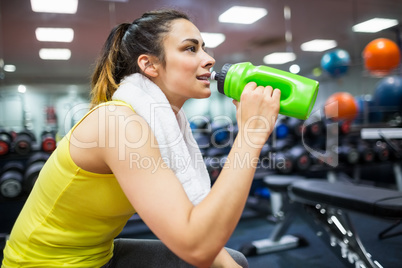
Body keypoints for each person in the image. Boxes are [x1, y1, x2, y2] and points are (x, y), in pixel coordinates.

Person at [2, 9, 280, 268]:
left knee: (234, 260)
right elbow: (198, 246)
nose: (209, 59)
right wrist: (251, 134)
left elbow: (198, 232)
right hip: (43, 263)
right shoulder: (120, 122)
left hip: (100, 253)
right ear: (149, 65)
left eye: (204, 48)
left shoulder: (164, 124)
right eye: (191, 48)